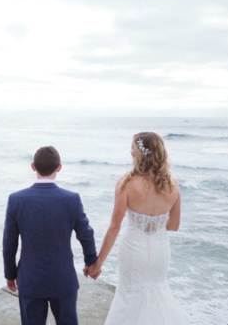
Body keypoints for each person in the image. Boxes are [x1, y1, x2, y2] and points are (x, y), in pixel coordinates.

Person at [87, 132, 188, 324]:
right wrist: (155, 226)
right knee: (158, 293)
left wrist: (98, 263)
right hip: (160, 250)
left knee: (129, 296)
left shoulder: (126, 184)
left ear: (137, 154)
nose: (130, 150)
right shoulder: (173, 184)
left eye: (132, 147)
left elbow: (114, 227)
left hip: (133, 249)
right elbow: (174, 226)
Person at [3, 146, 98, 325]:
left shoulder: (16, 199)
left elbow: (9, 243)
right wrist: (91, 262)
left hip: (30, 279)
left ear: (33, 166)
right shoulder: (72, 199)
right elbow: (86, 235)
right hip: (63, 279)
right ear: (59, 167)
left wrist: (10, 274)